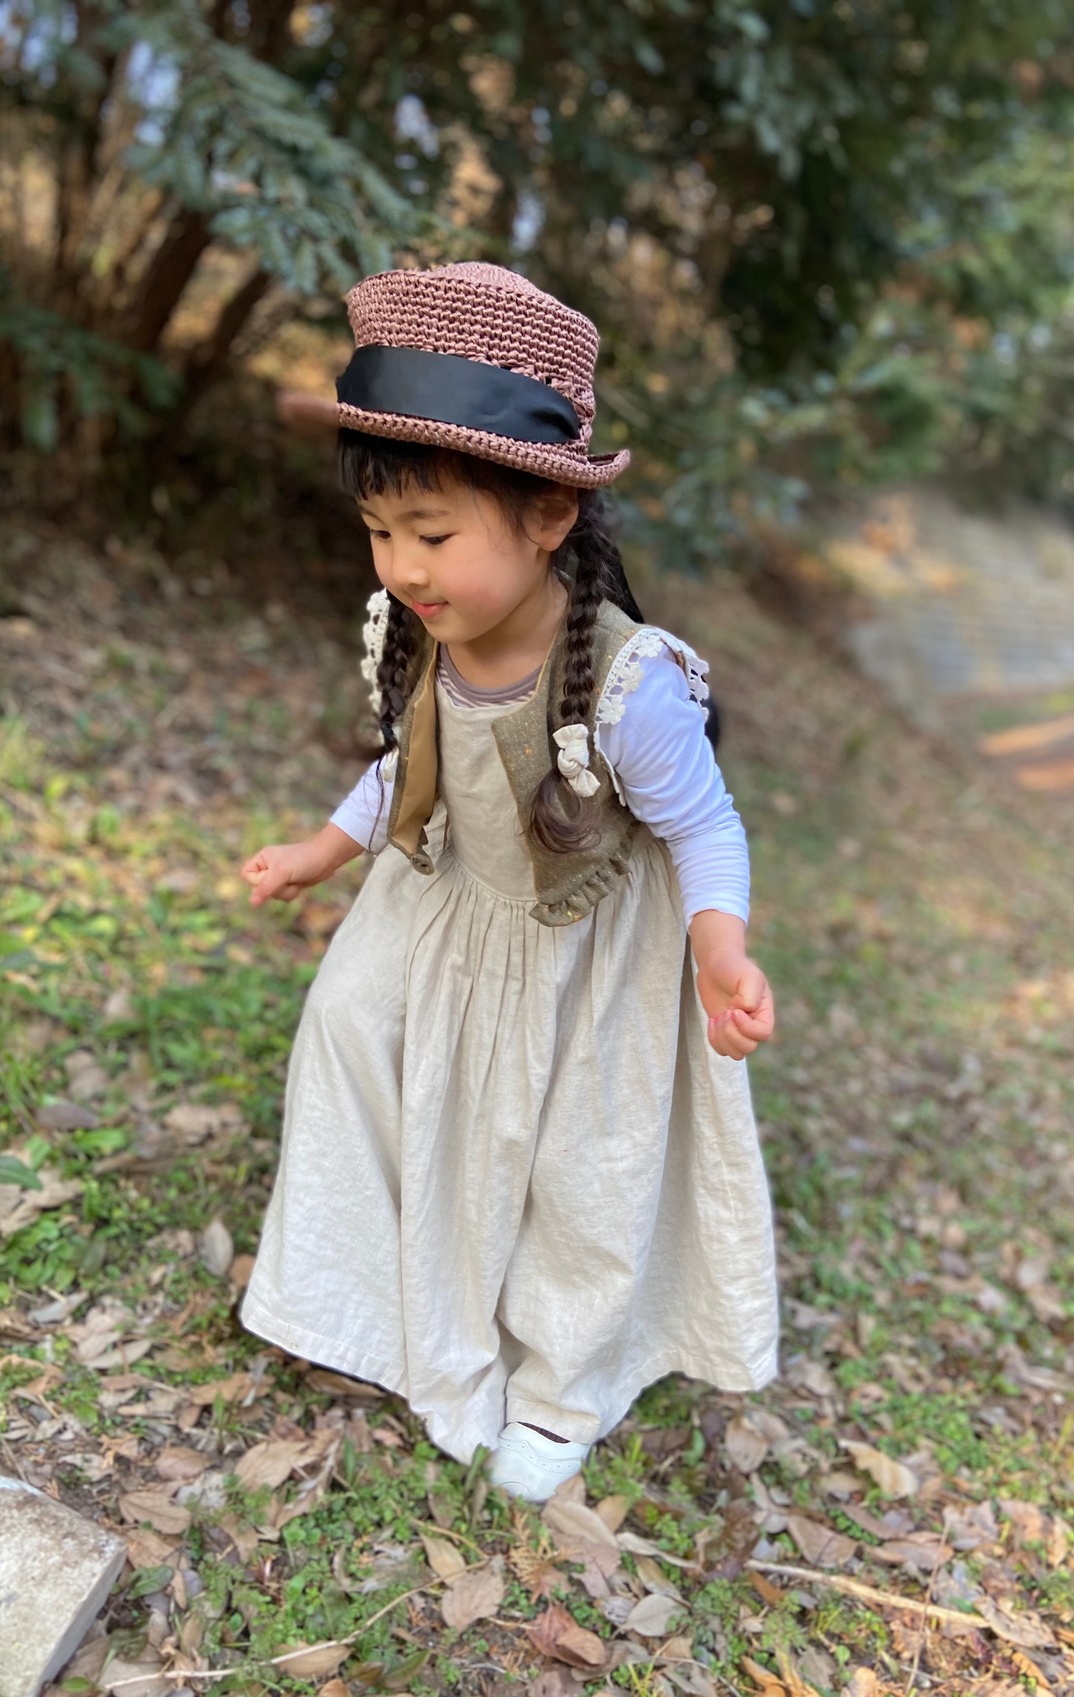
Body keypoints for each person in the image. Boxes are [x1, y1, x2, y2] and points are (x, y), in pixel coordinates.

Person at [238, 262, 779, 1501]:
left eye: (430, 535)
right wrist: (322, 850)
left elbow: (705, 825)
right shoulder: (425, 629)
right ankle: (378, 1287)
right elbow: (411, 763)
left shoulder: (628, 687)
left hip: (581, 944)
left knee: (579, 1164)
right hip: (446, 902)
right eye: (380, 532)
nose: (401, 567)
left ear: (547, 515)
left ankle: (558, 1387)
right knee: (349, 1029)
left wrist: (718, 950)